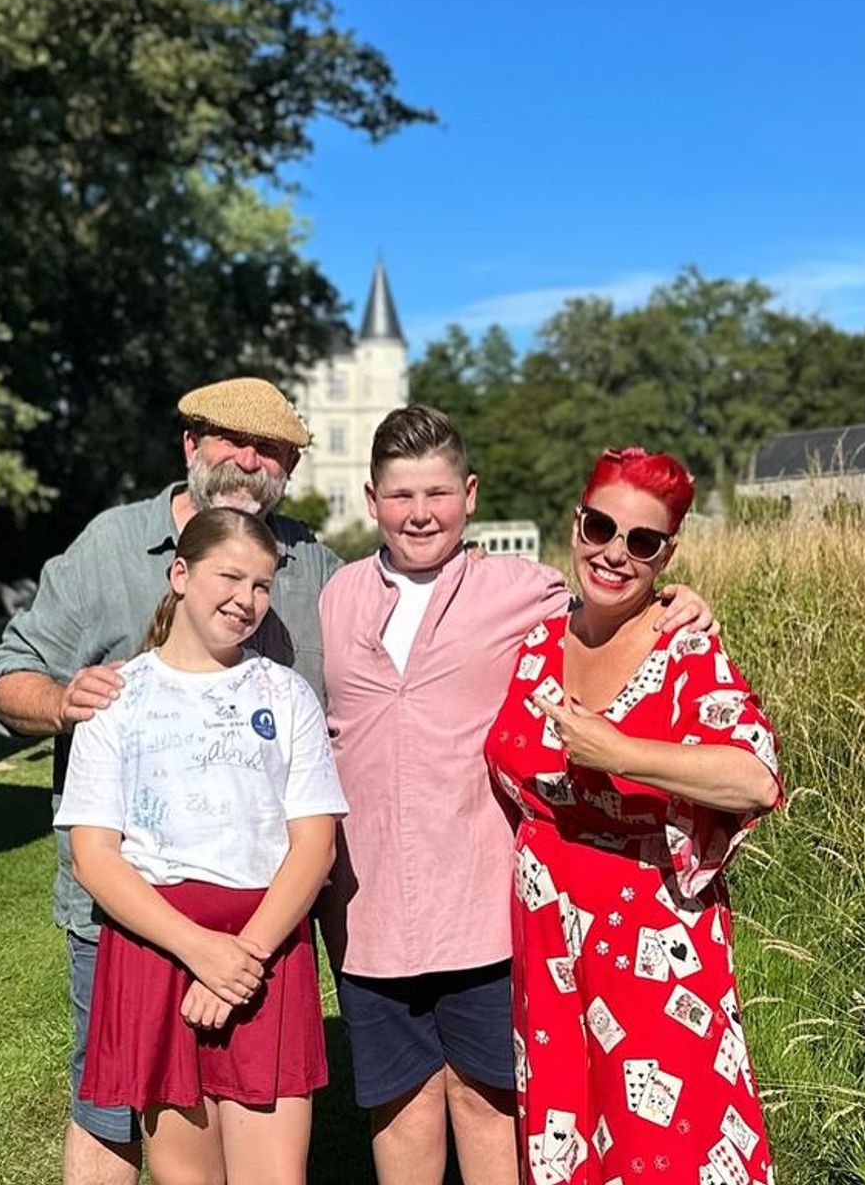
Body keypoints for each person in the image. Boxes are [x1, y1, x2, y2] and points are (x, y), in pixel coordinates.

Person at [317, 409, 717, 1185]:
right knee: (397, 1111)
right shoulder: (336, 600)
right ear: (372, 500)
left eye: (437, 492)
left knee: (489, 1101)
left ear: (469, 494)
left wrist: (682, 598)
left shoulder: (524, 591)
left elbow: (613, 605)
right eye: (401, 496)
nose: (420, 513)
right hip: (367, 914)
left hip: (482, 911)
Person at [0, 378, 340, 1185]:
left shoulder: (314, 564)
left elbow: (408, 618)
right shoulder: (109, 547)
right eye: (231, 441)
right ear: (190, 445)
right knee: (109, 1115)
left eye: (271, 450)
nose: (249, 460)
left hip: (266, 913)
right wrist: (64, 702)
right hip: (130, 918)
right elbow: (6, 677)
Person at [484, 447, 782, 1185]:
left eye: (642, 541)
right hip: (551, 934)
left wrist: (621, 750)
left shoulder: (684, 645)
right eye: (600, 527)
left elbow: (754, 778)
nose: (614, 553)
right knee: (571, 1132)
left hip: (651, 936)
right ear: (576, 523)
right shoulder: (535, 643)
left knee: (670, 1143)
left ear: (667, 553)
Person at [53, 506, 348, 1185]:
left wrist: (242, 955)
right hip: (158, 949)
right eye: (230, 577)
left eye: (262, 586)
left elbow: (314, 845)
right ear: (180, 574)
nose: (246, 600)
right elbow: (95, 855)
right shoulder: (117, 700)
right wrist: (198, 949)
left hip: (265, 952)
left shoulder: (286, 693)